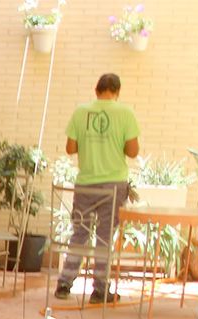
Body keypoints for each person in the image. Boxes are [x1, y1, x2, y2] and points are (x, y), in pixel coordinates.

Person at [56, 73, 141, 304]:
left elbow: (70, 148)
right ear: (117, 92)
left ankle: (64, 284)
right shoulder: (126, 113)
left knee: (80, 233)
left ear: (96, 90)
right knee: (104, 238)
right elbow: (133, 152)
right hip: (113, 185)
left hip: (86, 184)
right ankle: (100, 290)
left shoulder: (81, 112)